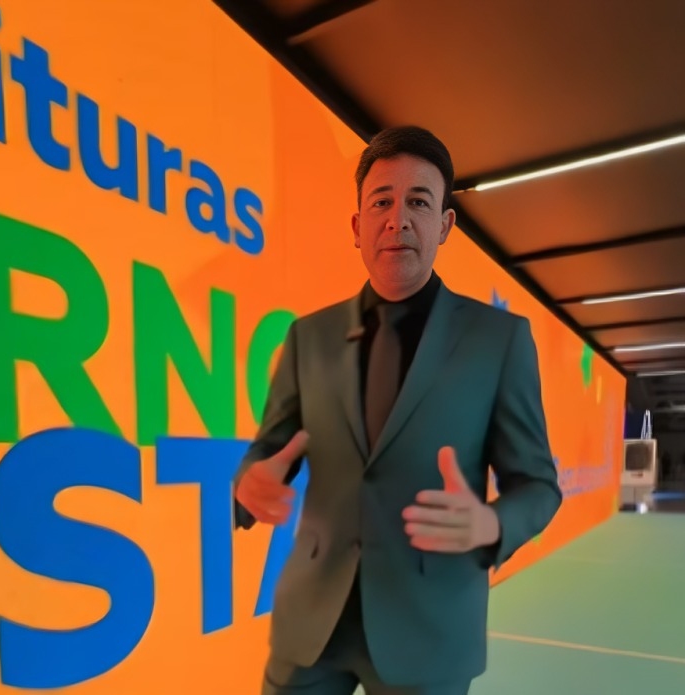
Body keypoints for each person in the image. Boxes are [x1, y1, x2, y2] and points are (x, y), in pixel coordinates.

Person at [233, 125, 562, 695]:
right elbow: (270, 447)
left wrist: (491, 525)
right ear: (357, 226)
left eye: (419, 202)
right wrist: (248, 482)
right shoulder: (308, 337)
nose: (398, 219)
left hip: (429, 630)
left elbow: (538, 485)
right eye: (381, 202)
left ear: (445, 225)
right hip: (313, 626)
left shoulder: (499, 341)